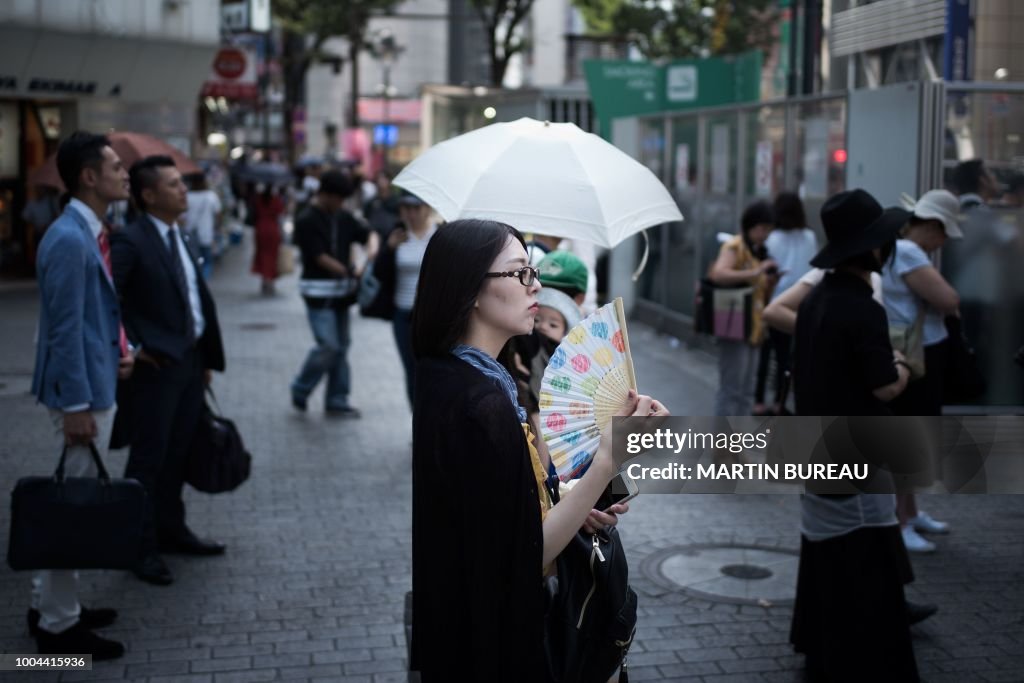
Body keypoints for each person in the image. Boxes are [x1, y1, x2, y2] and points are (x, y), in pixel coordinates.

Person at [408, 219, 667, 681]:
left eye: (534, 271)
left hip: (460, 629)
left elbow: (502, 515)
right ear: (470, 288)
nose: (537, 285)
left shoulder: (456, 373)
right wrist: (607, 459)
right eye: (520, 273)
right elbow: (527, 554)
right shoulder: (478, 403)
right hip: (491, 644)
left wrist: (577, 496)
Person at [790, 188, 920, 682]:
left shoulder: (816, 299)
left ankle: (821, 646)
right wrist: (904, 366)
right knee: (866, 563)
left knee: (826, 554)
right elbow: (884, 386)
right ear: (871, 249)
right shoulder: (863, 307)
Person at [28, 131, 132, 659]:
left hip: (94, 377)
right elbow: (64, 329)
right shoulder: (70, 238)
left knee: (74, 495)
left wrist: (119, 349)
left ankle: (52, 602)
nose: (125, 173)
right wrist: (75, 406)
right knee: (72, 505)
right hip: (80, 392)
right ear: (89, 177)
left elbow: (92, 314)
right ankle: (57, 627)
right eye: (115, 166)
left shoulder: (87, 231)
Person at [111, 156, 227, 587]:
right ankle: (138, 547)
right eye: (174, 184)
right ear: (148, 195)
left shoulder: (182, 235)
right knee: (149, 459)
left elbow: (193, 298)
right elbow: (109, 300)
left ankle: (172, 530)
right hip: (155, 370)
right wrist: (134, 347)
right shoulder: (131, 241)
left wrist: (203, 359)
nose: (184, 190)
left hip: (189, 364)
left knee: (179, 452)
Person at [882, 189, 962, 553]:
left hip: (913, 353)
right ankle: (900, 520)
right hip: (918, 355)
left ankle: (910, 512)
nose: (944, 240)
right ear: (931, 225)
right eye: (944, 231)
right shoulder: (910, 252)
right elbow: (948, 299)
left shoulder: (898, 249)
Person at [291, 170, 379, 416]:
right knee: (329, 345)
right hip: (317, 294)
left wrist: (371, 251)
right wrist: (350, 272)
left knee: (342, 346)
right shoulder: (307, 219)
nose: (342, 204)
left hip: (342, 294)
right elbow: (318, 257)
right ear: (325, 195)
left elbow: (368, 233)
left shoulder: (343, 216)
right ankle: (300, 387)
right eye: (339, 198)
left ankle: (337, 399)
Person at [707, 200, 779, 416]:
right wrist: (755, 273)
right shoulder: (735, 246)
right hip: (735, 324)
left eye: (768, 230)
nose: (765, 234)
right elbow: (718, 274)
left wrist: (770, 279)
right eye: (762, 229)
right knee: (731, 389)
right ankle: (723, 446)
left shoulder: (758, 251)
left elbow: (760, 290)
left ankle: (738, 444)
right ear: (751, 225)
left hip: (755, 327)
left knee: (748, 390)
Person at [754, 191, 817, 415]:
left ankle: (760, 401)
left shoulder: (772, 239)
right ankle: (780, 401)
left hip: (774, 301)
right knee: (789, 357)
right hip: (801, 303)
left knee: (766, 352)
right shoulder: (809, 236)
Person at [378, 192, 436, 406]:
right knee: (411, 369)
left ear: (427, 209)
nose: (410, 214)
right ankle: (418, 423)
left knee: (432, 369)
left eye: (415, 208)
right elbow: (380, 274)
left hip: (431, 316)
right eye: (405, 209)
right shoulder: (397, 235)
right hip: (402, 314)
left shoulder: (439, 235)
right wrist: (389, 248)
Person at [183, 174, 222, 280]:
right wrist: (217, 229)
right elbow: (218, 214)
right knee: (208, 261)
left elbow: (182, 218)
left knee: (194, 261)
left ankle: (198, 281)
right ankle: (203, 282)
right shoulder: (210, 196)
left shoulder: (187, 196)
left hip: (190, 233)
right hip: (206, 233)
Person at [251, 184, 284, 295]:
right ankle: (270, 281)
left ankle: (265, 280)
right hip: (272, 229)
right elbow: (281, 214)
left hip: (260, 228)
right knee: (272, 256)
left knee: (262, 254)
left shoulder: (258, 198)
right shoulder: (276, 199)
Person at [363, 170, 401, 237]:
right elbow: (366, 217)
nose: (381, 181)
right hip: (375, 235)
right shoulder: (371, 202)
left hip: (392, 234)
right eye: (379, 179)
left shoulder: (396, 201)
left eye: (384, 179)